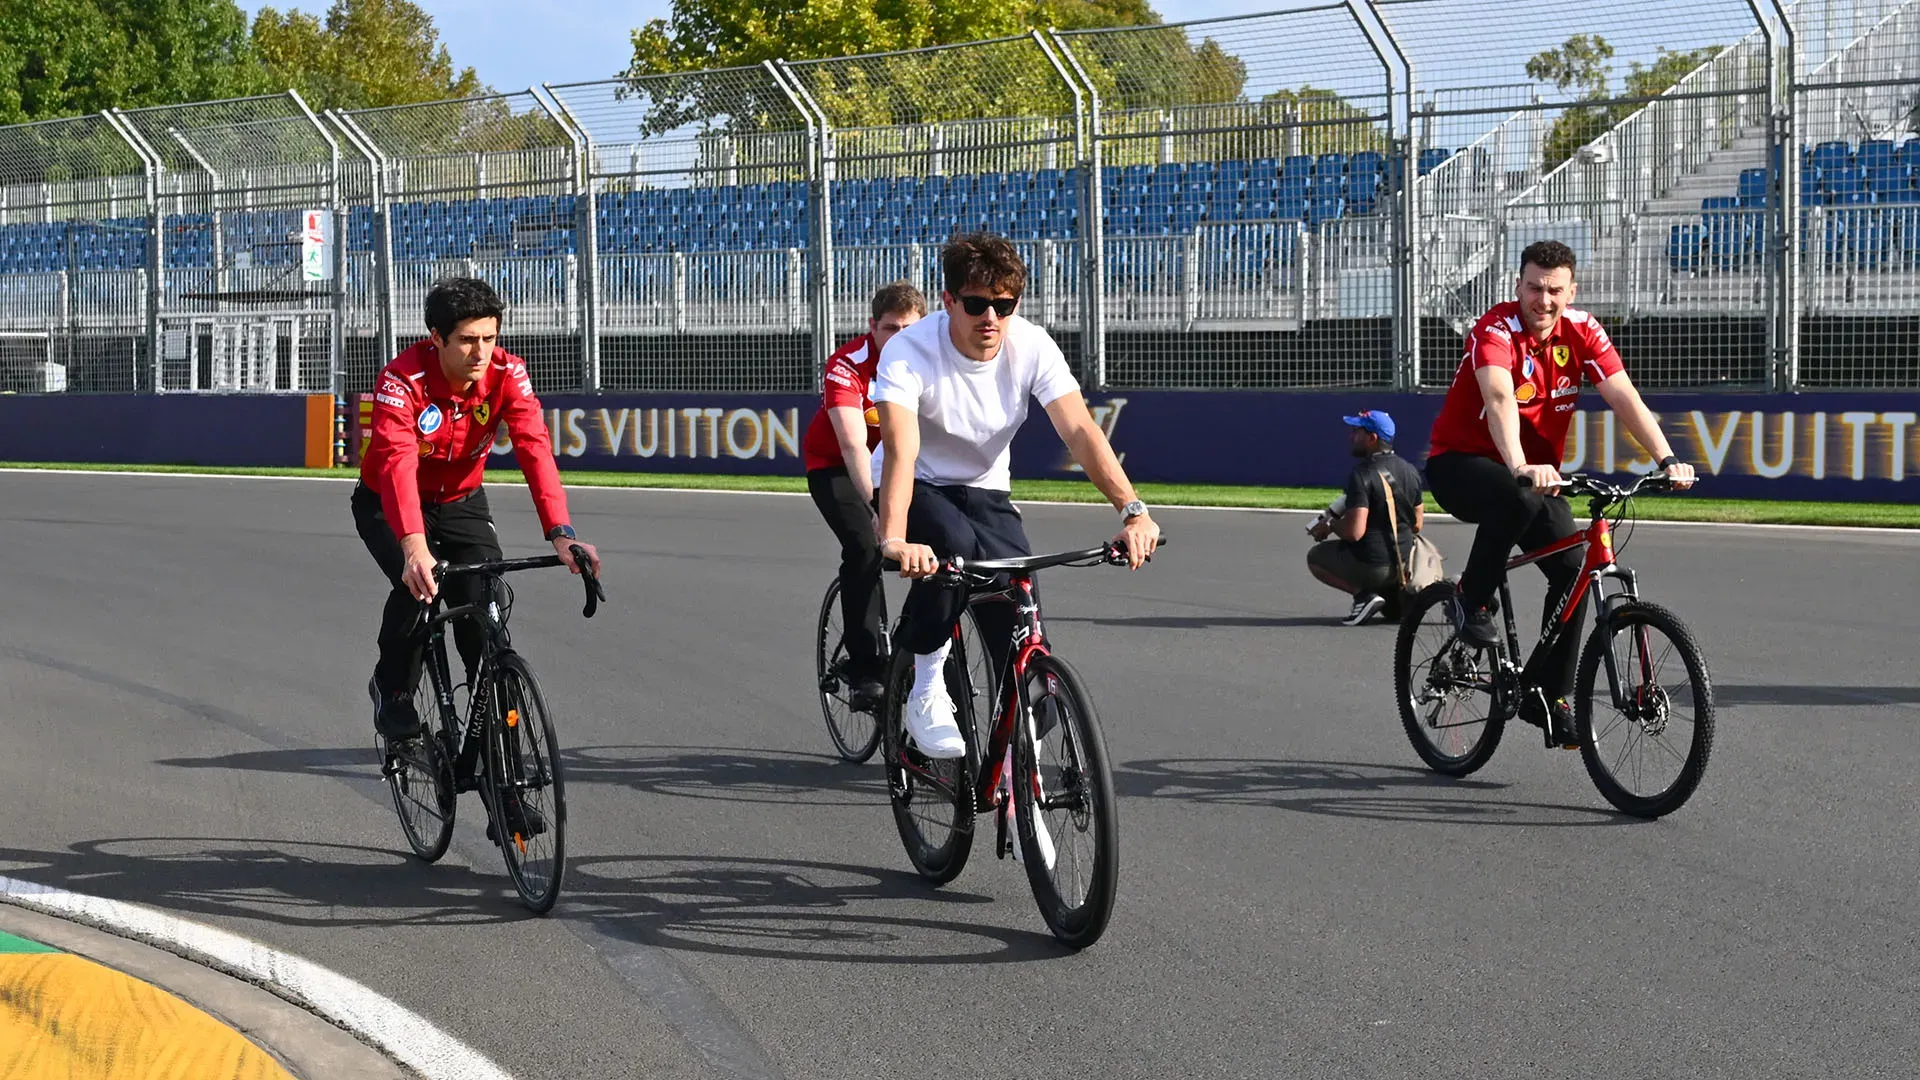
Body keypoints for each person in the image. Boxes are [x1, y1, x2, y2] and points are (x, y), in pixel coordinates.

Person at [873, 232, 1160, 759]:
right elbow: (900, 451)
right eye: (977, 304)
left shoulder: (1031, 344)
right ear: (949, 302)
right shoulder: (909, 350)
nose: (991, 318)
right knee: (953, 549)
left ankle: (1016, 764)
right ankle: (925, 688)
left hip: (985, 487)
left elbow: (1079, 430)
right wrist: (893, 538)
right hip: (917, 482)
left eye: (1003, 306)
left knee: (1019, 614)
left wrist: (1133, 510)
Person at [1424, 239, 1695, 744]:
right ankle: (1470, 600)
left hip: (1531, 473)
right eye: (1533, 288)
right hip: (1461, 465)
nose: (1542, 300)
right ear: (1517, 286)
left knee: (1573, 570)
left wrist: (1667, 458)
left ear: (1571, 292)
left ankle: (1550, 695)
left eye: (1553, 290)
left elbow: (1623, 395)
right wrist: (1521, 464)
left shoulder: (1583, 331)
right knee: (1519, 497)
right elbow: (1500, 396)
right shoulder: (1494, 329)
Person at [354, 277, 603, 745]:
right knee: (421, 587)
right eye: (467, 340)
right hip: (389, 502)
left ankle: (503, 787)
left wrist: (562, 532)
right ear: (436, 338)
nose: (481, 352)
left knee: (486, 628)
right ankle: (393, 689)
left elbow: (534, 448)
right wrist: (413, 546)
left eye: (489, 338)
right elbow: (398, 463)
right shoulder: (400, 381)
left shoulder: (509, 374)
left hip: (463, 503)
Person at [801, 282, 928, 712]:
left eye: (910, 328)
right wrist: (877, 507)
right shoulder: (846, 364)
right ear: (872, 326)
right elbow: (854, 445)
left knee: (942, 553)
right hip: (836, 467)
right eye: (891, 328)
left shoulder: (932, 360)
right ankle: (864, 668)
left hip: (899, 465)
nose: (901, 337)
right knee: (865, 548)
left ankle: (922, 655)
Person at [1307, 409, 1424, 626]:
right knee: (1392, 612)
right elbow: (1417, 524)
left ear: (1372, 438)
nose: (1351, 437)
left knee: (1315, 557)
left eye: (1356, 432)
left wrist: (1330, 525)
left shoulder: (1362, 474)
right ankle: (1394, 595)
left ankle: (1363, 596)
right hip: (1404, 564)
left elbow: (1354, 532)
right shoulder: (1410, 471)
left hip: (1374, 567)